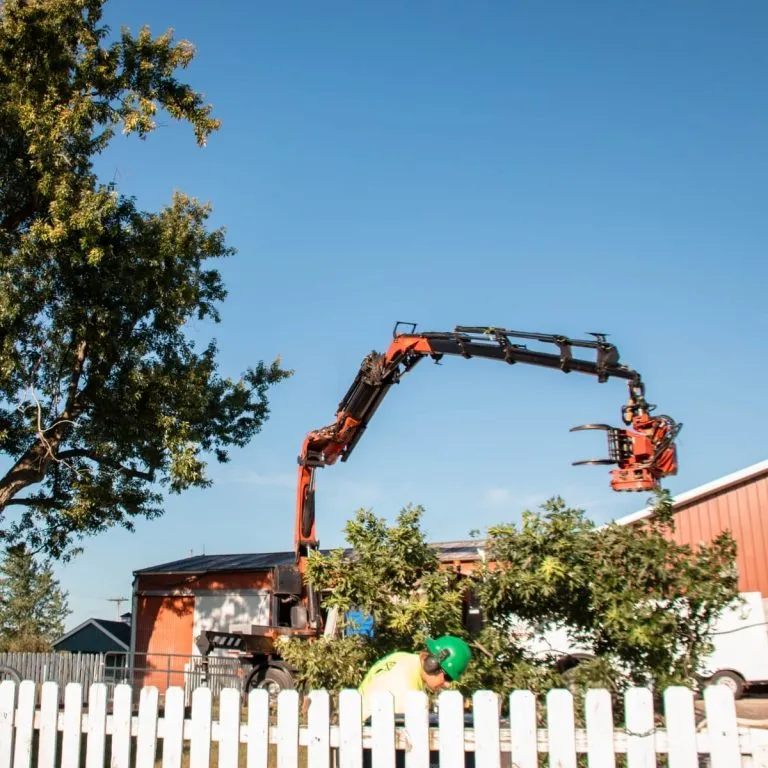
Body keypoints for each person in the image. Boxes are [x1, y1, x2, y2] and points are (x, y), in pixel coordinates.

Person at [358, 635, 472, 722]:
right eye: (447, 677)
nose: (447, 684)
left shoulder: (403, 658)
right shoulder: (404, 691)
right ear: (432, 664)